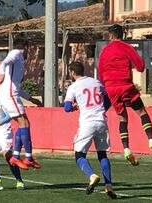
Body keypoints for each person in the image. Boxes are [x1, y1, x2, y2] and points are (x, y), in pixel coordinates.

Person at [98, 24, 152, 165]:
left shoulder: (105, 51)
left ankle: (126, 149)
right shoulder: (127, 48)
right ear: (123, 35)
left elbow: (101, 75)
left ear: (110, 36)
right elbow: (140, 67)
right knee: (141, 111)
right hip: (125, 85)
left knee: (122, 118)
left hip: (111, 88)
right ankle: (151, 140)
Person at [64, 62, 116, 199]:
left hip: (87, 122)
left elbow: (67, 108)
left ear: (72, 72)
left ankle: (92, 176)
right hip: (101, 121)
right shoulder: (96, 82)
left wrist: (75, 106)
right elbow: (108, 99)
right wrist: (100, 109)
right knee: (102, 154)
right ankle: (109, 185)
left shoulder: (73, 87)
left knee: (79, 155)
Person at [0, 40, 43, 169]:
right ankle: (28, 158)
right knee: (25, 124)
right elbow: (4, 63)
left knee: (23, 124)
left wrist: (31, 99)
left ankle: (16, 156)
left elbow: (17, 87)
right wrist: (1, 74)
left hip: (10, 94)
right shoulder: (16, 53)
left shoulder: (20, 60)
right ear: (25, 47)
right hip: (9, 96)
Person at [0, 83, 27, 191]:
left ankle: (19, 180)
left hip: (4, 131)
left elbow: (10, 115)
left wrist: (0, 122)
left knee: (8, 156)